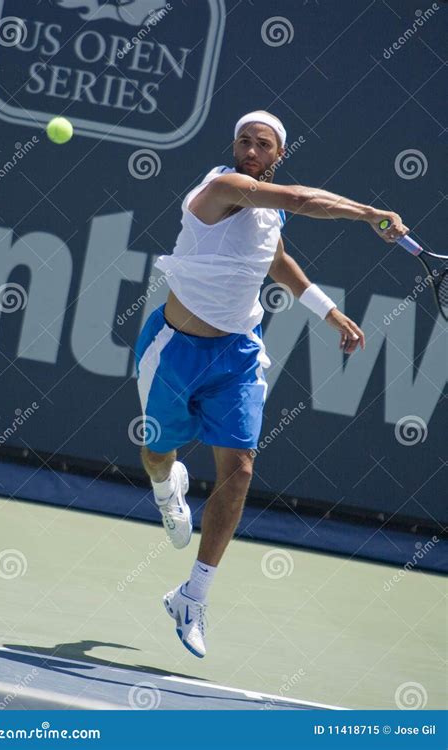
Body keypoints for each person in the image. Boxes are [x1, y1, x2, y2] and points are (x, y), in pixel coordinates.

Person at [134, 110, 409, 658]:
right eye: (244, 142)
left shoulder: (265, 215)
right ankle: (168, 491)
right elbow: (301, 201)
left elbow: (277, 259)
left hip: (237, 355)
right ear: (234, 148)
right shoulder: (223, 187)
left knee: (239, 471)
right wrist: (368, 214)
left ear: (278, 153)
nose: (251, 151)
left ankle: (193, 595)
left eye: (263, 145)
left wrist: (328, 311)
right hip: (174, 351)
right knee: (156, 454)